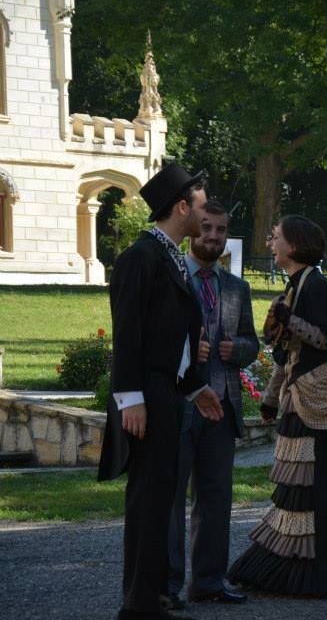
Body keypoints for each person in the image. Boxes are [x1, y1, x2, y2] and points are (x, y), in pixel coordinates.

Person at [228, 214, 327, 597]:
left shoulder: (316, 286)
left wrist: (292, 321)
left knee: (322, 487)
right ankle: (299, 565)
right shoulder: (294, 287)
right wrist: (269, 400)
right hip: (302, 398)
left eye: (276, 237)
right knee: (303, 487)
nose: (270, 243)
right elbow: (289, 356)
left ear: (295, 246)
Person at [97, 163, 224, 620]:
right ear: (181, 207)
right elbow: (129, 332)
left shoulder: (167, 254)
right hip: (146, 397)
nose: (206, 214)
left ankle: (152, 599)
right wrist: (130, 398)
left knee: (161, 498)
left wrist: (194, 389)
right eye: (202, 206)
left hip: (167, 394)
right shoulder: (141, 257)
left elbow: (171, 336)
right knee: (150, 501)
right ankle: (139, 605)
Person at [163, 201, 258, 611]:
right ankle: (166, 586)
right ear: (191, 230)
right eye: (206, 228)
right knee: (169, 502)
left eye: (220, 230)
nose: (213, 237)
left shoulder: (237, 288)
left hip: (222, 406)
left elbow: (252, 344)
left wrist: (235, 348)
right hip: (180, 406)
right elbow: (150, 339)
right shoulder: (169, 276)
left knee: (216, 499)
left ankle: (209, 581)